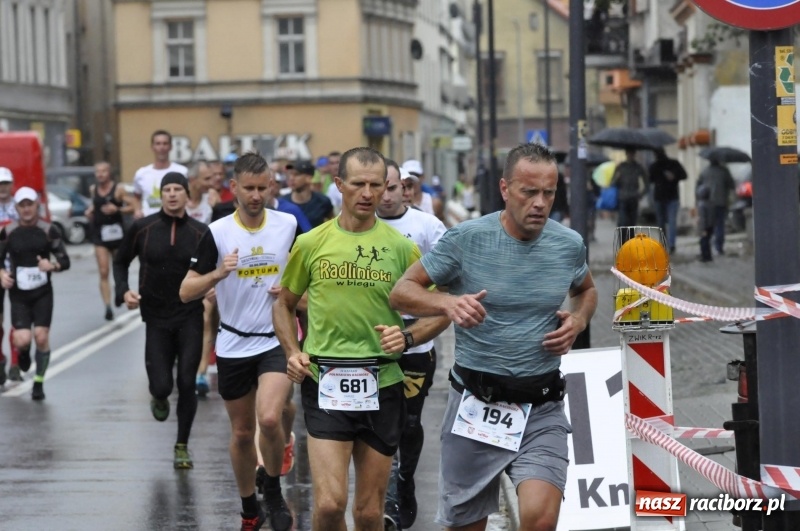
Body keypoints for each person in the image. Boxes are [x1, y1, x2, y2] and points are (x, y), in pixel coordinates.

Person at [389, 143, 598, 531]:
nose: (539, 203)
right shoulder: (466, 239)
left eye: (548, 193)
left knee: (539, 519)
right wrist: (448, 304)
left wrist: (579, 320)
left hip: (541, 406)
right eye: (528, 192)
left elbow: (586, 290)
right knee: (468, 525)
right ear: (505, 189)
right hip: (475, 405)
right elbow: (402, 291)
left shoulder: (567, 245)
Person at [272, 147, 449, 531]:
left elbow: (440, 309)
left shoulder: (402, 248)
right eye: (359, 184)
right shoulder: (311, 243)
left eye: (378, 185)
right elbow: (283, 305)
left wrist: (407, 336)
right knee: (331, 506)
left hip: (383, 384)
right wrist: (291, 352)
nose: (369, 193)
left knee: (369, 513)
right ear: (339, 186)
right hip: (325, 382)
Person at [180, 152, 296, 531]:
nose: (257, 195)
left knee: (269, 417)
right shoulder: (217, 232)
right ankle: (250, 508)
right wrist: (217, 274)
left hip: (275, 339)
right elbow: (186, 291)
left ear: (272, 187)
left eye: (263, 188)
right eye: (249, 188)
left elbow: (311, 275)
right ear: (233, 188)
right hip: (233, 344)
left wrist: (294, 292)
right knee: (243, 433)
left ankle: (274, 491)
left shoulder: (288, 225)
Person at [113, 173, 208, 469]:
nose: (172, 194)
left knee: (187, 381)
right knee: (162, 385)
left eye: (178, 189)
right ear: (161, 195)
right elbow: (120, 261)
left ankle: (182, 445)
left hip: (190, 315)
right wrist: (124, 291)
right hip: (155, 316)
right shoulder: (143, 228)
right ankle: (159, 396)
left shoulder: (200, 232)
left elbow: (215, 267)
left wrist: (213, 285)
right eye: (166, 189)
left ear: (187, 195)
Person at [377, 159, 447, 529]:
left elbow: (450, 281)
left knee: (408, 422)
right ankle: (387, 493)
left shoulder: (426, 226)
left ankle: (404, 480)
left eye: (392, 187)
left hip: (416, 342)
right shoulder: (358, 226)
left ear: (404, 188)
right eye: (378, 187)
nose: (385, 196)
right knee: (381, 420)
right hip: (371, 341)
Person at [0, 187, 71, 400]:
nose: (27, 209)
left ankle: (38, 383)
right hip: (19, 294)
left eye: (30, 204)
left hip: (42, 293)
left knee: (41, 337)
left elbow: (65, 261)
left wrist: (53, 266)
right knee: (22, 339)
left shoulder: (49, 230)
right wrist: (2, 274)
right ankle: (23, 353)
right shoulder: (8, 232)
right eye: (22, 205)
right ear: (17, 208)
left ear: (36, 206)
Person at [85, 162, 132, 321]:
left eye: (103, 171)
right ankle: (107, 306)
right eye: (97, 171)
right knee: (104, 271)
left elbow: (132, 206)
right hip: (100, 234)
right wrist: (90, 211)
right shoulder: (93, 189)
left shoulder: (118, 189)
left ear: (109, 173)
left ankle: (120, 292)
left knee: (119, 266)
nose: (100, 174)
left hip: (117, 234)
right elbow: (94, 204)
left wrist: (117, 209)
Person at [131, 130, 188, 219]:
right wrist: (137, 210)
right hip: (149, 222)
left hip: (175, 220)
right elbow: (136, 197)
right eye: (158, 144)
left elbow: (190, 197)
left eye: (165, 144)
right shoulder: (141, 173)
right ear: (152, 147)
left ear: (170, 147)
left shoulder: (182, 171)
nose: (161, 147)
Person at [0, 167, 19, 384]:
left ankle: (15, 363)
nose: (2, 188)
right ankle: (1, 359)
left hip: (17, 269)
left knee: (17, 318)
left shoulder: (20, 206)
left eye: (5, 184)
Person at [649, 149, 687, 254]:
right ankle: (670, 244)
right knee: (669, 221)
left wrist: (674, 176)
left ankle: (667, 244)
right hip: (667, 197)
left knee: (666, 222)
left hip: (666, 197)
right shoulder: (657, 166)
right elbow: (651, 179)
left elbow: (684, 175)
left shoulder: (671, 164)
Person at [698, 157, 735, 255]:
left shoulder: (704, 172)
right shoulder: (724, 171)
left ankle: (707, 247)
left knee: (708, 225)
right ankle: (719, 247)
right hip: (721, 202)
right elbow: (731, 184)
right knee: (720, 224)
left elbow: (698, 185)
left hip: (707, 203)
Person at [282, 160, 334, 228]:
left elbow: (332, 223)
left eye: (296, 174)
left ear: (309, 178)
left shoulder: (323, 201)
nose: (291, 178)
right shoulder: (282, 203)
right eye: (290, 174)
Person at [610, 148, 648, 231]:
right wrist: (617, 178)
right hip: (622, 197)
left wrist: (641, 194)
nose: (630, 156)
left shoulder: (638, 167)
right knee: (623, 222)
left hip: (634, 197)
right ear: (626, 154)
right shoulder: (621, 166)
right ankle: (623, 241)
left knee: (632, 223)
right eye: (629, 154)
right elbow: (612, 183)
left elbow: (647, 183)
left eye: (632, 154)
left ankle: (630, 241)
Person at [695, 181, 714, 263]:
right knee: (707, 241)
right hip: (710, 226)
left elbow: (702, 218)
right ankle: (708, 256)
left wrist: (702, 229)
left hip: (704, 227)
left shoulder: (701, 205)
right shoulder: (711, 203)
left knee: (703, 242)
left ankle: (705, 256)